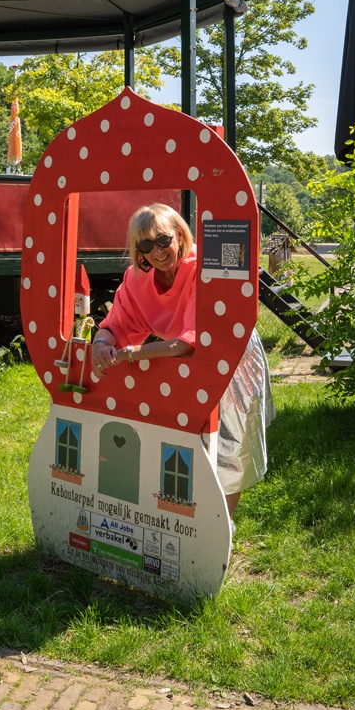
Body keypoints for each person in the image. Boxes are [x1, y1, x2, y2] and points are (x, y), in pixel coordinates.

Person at [91, 203, 274, 518]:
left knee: (228, 446)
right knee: (188, 442)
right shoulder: (137, 279)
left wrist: (131, 354)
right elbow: (117, 325)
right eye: (146, 246)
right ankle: (191, 523)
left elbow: (190, 343)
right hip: (183, 355)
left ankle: (221, 528)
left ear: (179, 234)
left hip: (230, 352)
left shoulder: (203, 267)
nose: (158, 252)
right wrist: (101, 343)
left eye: (163, 240)